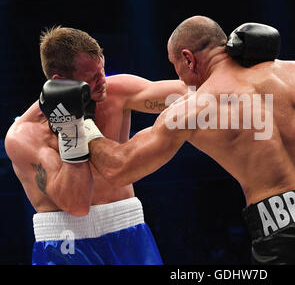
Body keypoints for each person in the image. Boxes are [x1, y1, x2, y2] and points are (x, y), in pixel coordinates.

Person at [49, 16, 295, 264]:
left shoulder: (191, 109)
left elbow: (120, 168)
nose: (180, 78)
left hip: (285, 226)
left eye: (176, 67)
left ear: (187, 58)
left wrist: (77, 124)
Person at [4, 26, 188, 265]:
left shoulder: (114, 92)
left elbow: (193, 94)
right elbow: (77, 205)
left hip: (129, 232)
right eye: (92, 77)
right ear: (60, 80)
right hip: (65, 246)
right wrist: (73, 128)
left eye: (102, 69)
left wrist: (229, 67)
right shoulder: (25, 135)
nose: (103, 80)